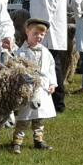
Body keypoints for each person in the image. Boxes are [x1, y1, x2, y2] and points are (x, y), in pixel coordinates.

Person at [27, 0, 68, 112]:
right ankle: (48, 97)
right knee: (47, 61)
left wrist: (45, 25)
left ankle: (58, 102)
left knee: (52, 62)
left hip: (47, 24)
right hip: (42, 23)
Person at [13, 18, 57, 154]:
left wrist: (52, 83)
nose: (38, 37)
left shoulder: (46, 52)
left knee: (39, 116)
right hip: (27, 89)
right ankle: (17, 141)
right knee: (24, 116)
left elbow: (51, 68)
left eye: (42, 35)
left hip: (42, 89)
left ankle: (39, 139)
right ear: (27, 32)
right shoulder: (20, 52)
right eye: (35, 33)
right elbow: (16, 70)